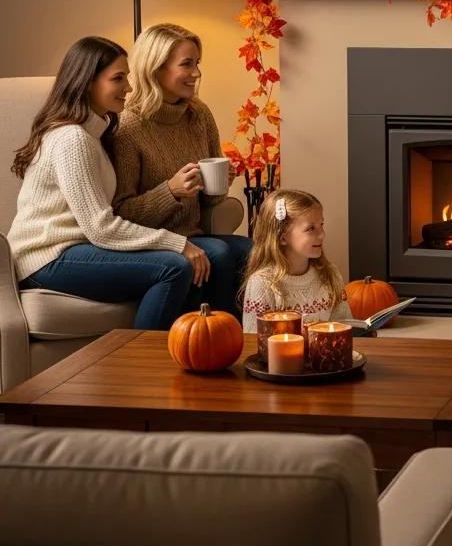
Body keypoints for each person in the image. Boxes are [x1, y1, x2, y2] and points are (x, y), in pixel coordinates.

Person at [8, 36, 209, 329]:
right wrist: (179, 244)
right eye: (118, 78)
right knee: (173, 268)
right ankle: (138, 364)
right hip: (45, 258)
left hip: (77, 250)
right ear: (88, 82)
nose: (128, 87)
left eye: (126, 76)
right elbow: (101, 228)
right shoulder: (72, 139)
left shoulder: (92, 135)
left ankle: (188, 351)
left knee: (182, 264)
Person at [113, 23, 251, 317]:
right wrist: (170, 191)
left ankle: (240, 338)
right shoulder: (129, 127)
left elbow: (209, 202)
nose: (197, 73)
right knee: (220, 253)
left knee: (252, 250)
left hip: (193, 234)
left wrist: (219, 185)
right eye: (186, 64)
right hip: (150, 242)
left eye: (197, 63)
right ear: (156, 69)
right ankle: (204, 338)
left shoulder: (198, 114)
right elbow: (121, 212)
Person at [241, 189, 353, 331]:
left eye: (321, 225)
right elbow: (254, 339)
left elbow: (345, 327)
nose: (322, 235)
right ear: (282, 237)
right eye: (311, 228)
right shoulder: (262, 284)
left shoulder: (330, 275)